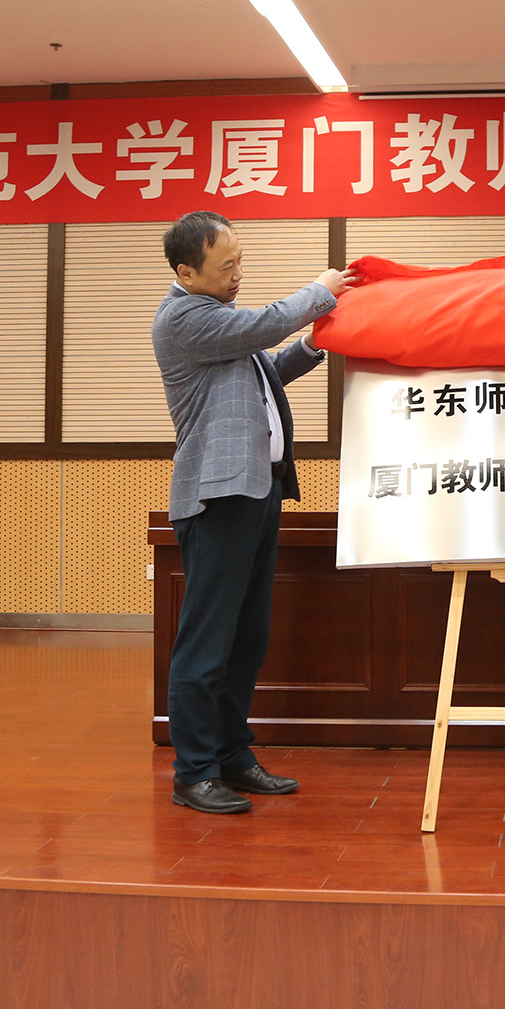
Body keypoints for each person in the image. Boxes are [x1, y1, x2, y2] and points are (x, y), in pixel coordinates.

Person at [153, 210, 349, 815]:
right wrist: (320, 293)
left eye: (240, 261)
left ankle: (232, 755)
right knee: (208, 641)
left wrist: (312, 345)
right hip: (218, 498)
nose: (238, 274)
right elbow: (263, 326)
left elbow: (268, 371)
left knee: (246, 637)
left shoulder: (222, 323)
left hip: (256, 492)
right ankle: (194, 772)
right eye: (226, 266)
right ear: (187, 272)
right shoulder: (184, 318)